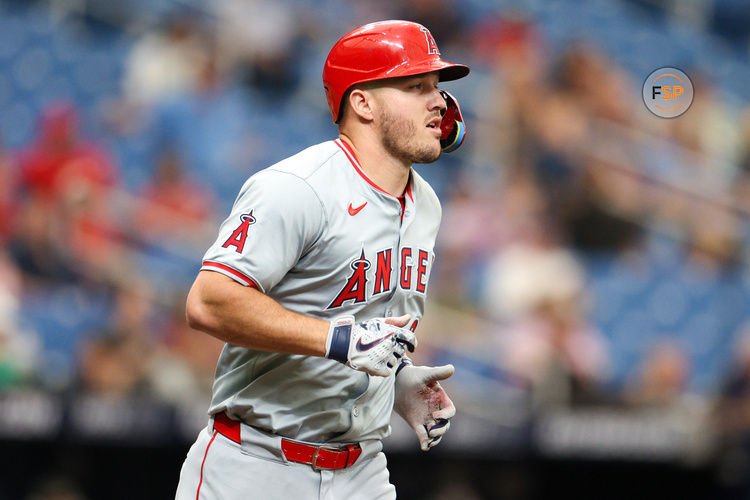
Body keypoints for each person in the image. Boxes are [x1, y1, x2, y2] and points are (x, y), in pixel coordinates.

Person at [174, 20, 469, 500]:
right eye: (416, 86)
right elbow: (208, 302)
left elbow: (362, 323)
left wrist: (395, 382)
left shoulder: (427, 204)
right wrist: (339, 340)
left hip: (363, 470)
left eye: (436, 88)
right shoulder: (297, 188)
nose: (439, 102)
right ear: (362, 102)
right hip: (257, 463)